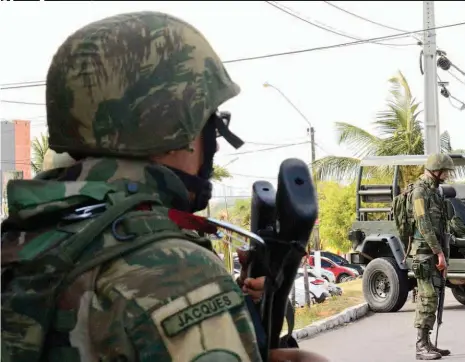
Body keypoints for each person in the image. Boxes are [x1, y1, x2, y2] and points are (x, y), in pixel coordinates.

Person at [0, 11, 326, 362]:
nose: (213, 144)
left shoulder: (23, 242)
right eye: (211, 126)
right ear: (176, 131)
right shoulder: (174, 270)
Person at [409, 154, 455, 360]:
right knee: (427, 298)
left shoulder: (434, 192)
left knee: (434, 298)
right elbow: (423, 224)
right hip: (423, 254)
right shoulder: (419, 192)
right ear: (435, 170)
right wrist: (438, 253)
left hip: (434, 253)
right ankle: (420, 346)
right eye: (444, 171)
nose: (446, 175)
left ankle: (428, 343)